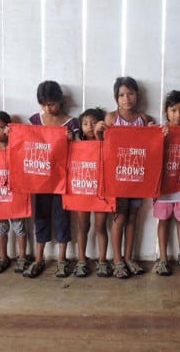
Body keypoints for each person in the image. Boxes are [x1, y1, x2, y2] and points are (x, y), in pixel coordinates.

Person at [97, 76, 154, 279]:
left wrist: (154, 133)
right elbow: (103, 147)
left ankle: (129, 257)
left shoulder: (144, 119)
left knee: (132, 217)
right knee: (119, 217)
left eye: (130, 93)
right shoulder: (111, 118)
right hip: (117, 179)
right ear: (116, 98)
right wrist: (98, 133)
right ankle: (117, 260)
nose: (126, 98)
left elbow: (151, 146)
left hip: (137, 177)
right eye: (121, 95)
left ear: (137, 95)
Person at [23, 80, 79, 278]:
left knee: (62, 217)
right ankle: (39, 258)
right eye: (44, 104)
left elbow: (81, 151)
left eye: (52, 104)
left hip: (62, 179)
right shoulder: (34, 121)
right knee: (41, 217)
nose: (48, 108)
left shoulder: (70, 123)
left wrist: (72, 140)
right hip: (41, 179)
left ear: (60, 101)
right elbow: (25, 144)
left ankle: (62, 259)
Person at [153, 91, 180, 276]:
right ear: (166, 111)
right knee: (163, 221)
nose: (178, 114)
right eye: (173, 110)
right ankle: (163, 258)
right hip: (163, 186)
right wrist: (157, 136)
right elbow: (150, 151)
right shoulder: (161, 130)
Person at [0, 111, 29, 275]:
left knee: (19, 227)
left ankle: (22, 257)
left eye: (1, 127)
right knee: (0, 228)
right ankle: (3, 257)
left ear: (8, 128)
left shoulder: (15, 148)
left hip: (15, 195)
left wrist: (14, 137)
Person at [72, 107, 113, 278]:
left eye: (94, 122)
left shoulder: (107, 141)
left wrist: (98, 136)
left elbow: (107, 155)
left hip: (101, 192)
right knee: (83, 226)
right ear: (80, 127)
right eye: (85, 123)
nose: (90, 126)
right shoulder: (75, 144)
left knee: (100, 227)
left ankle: (102, 260)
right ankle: (82, 260)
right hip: (82, 190)